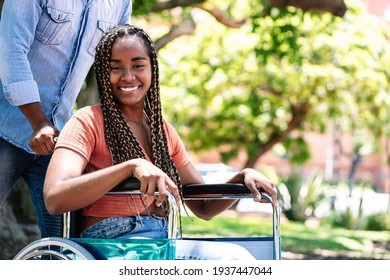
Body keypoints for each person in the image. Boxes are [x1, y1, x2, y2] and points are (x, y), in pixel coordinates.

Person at [43, 24, 278, 260]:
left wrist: (242, 177)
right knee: (234, 260)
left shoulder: (161, 130)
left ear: (152, 70)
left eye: (138, 65)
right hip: (111, 242)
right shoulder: (87, 121)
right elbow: (54, 197)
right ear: (104, 74)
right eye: (116, 68)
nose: (127, 76)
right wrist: (130, 167)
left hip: (163, 238)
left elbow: (204, 207)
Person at [0, 0, 132, 238]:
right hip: (5, 127)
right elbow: (10, 50)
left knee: (63, 242)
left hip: (59, 138)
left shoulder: (120, 3)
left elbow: (119, 62)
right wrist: (38, 121)